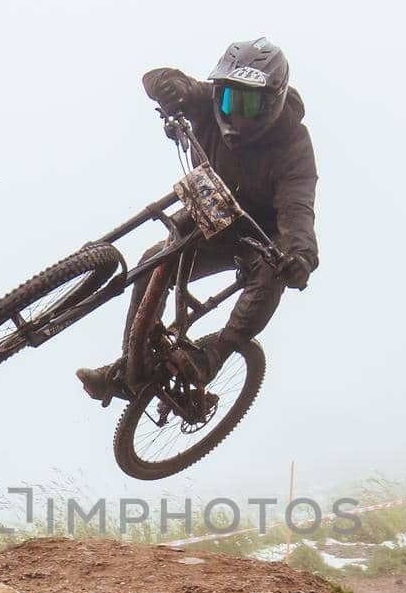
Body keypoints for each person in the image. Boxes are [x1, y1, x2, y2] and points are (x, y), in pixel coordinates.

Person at [77, 37, 318, 404]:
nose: (235, 113)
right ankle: (127, 370)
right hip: (211, 215)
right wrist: (166, 88)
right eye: (228, 99)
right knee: (153, 259)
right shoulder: (205, 101)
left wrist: (299, 256)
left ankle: (210, 357)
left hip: (258, 237)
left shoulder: (293, 147)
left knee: (271, 275)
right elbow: (159, 78)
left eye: (248, 103)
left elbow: (299, 209)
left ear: (272, 101)